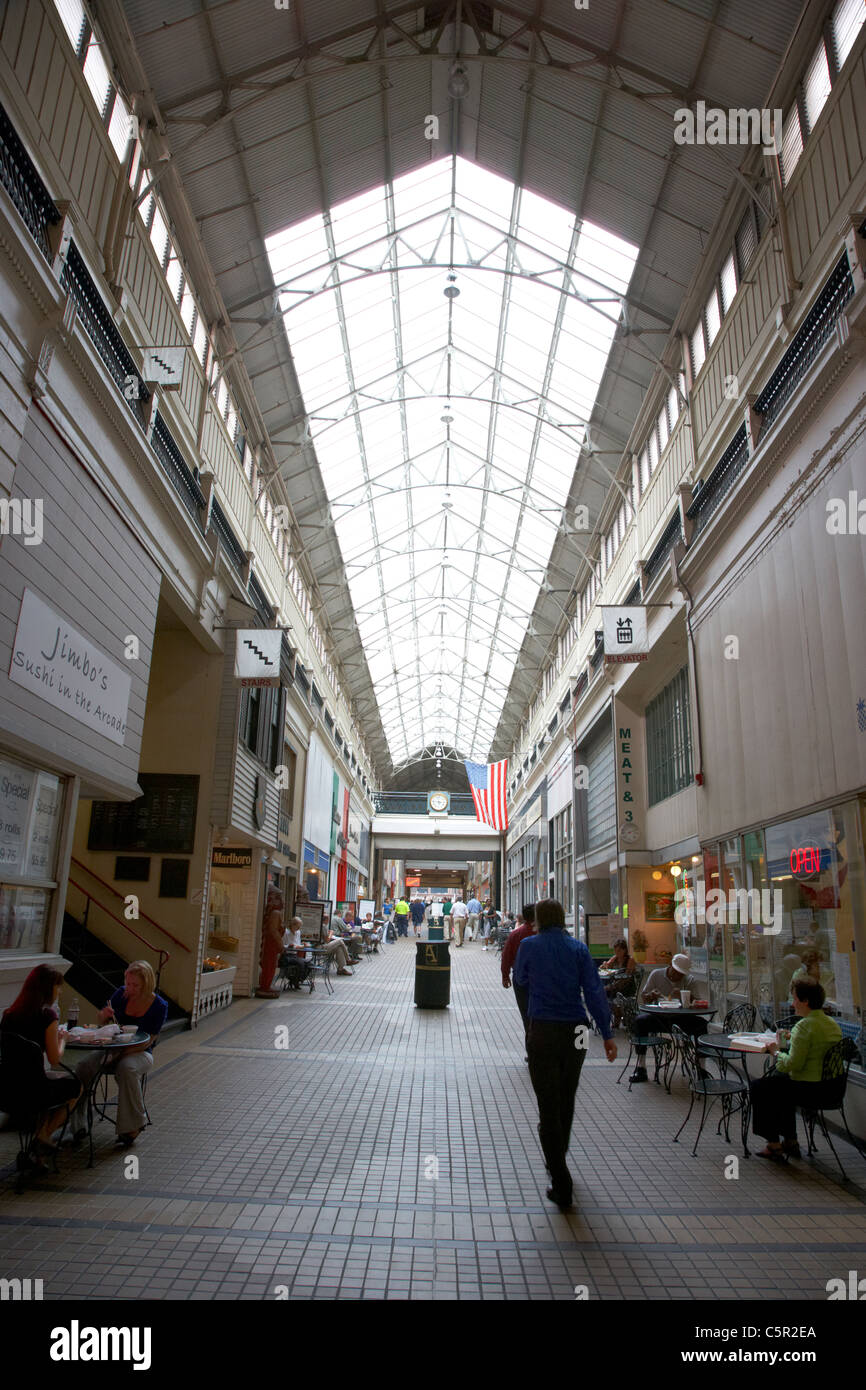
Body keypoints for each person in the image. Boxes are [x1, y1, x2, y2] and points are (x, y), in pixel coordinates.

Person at [513, 899, 616, 1211]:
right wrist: (608, 1035)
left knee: (547, 1104)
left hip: (542, 1029)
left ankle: (560, 1178)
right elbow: (594, 990)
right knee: (567, 1095)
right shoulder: (579, 949)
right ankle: (561, 1151)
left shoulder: (529, 946)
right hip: (578, 1031)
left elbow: (520, 980)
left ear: (539, 920)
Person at [70, 961, 168, 1148]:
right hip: (112, 1048)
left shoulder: (159, 1005)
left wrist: (119, 1055)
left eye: (135, 985)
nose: (129, 988)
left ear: (147, 984)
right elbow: (102, 1021)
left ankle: (133, 1126)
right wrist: (104, 1015)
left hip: (140, 1052)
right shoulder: (120, 995)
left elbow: (149, 1040)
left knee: (127, 1068)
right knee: (83, 1067)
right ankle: (78, 1124)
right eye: (128, 983)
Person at [750, 979, 842, 1161]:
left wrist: (776, 1052)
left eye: (794, 999)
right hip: (833, 1088)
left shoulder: (804, 1026)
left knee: (760, 1087)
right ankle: (790, 1141)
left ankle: (774, 1143)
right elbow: (814, 1047)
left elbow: (792, 1064)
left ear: (805, 1001)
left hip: (810, 1090)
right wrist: (792, 1040)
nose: (792, 1004)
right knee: (779, 1085)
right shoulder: (831, 1023)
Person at [0, 965, 82, 1163]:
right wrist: (63, 1039)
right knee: (76, 1086)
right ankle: (44, 1135)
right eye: (57, 986)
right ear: (48, 988)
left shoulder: (9, 1015)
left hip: (8, 1089)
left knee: (50, 1082)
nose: (59, 991)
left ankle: (39, 1147)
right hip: (36, 1091)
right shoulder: (47, 1017)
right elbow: (55, 1059)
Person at [629, 953, 705, 1083]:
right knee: (640, 1021)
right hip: (660, 1017)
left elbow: (698, 1002)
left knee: (702, 1025)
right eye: (676, 972)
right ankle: (641, 1066)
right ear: (670, 966)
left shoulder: (689, 980)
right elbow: (644, 997)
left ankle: (702, 1069)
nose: (678, 976)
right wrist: (651, 996)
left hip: (682, 1019)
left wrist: (687, 997)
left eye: (681, 974)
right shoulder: (656, 974)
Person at [501, 904, 536, 1056]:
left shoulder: (516, 934)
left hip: (520, 980)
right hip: (540, 980)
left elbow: (506, 955)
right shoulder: (540, 933)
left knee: (526, 1015)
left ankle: (531, 1051)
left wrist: (505, 975)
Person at [256, 887, 284, 998]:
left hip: (270, 943)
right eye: (279, 897)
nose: (282, 900)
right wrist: (280, 943)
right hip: (271, 944)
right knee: (269, 965)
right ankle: (265, 986)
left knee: (270, 964)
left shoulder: (273, 912)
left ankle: (266, 985)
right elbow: (273, 930)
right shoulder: (276, 913)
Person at [601, 938, 637, 1024]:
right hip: (616, 986)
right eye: (615, 950)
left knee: (606, 991)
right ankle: (613, 1016)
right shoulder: (615, 958)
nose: (617, 952)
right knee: (601, 992)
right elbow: (605, 966)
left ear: (625, 950)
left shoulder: (630, 960)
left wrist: (611, 986)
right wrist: (604, 965)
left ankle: (618, 1017)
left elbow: (627, 978)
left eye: (619, 950)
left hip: (627, 987)